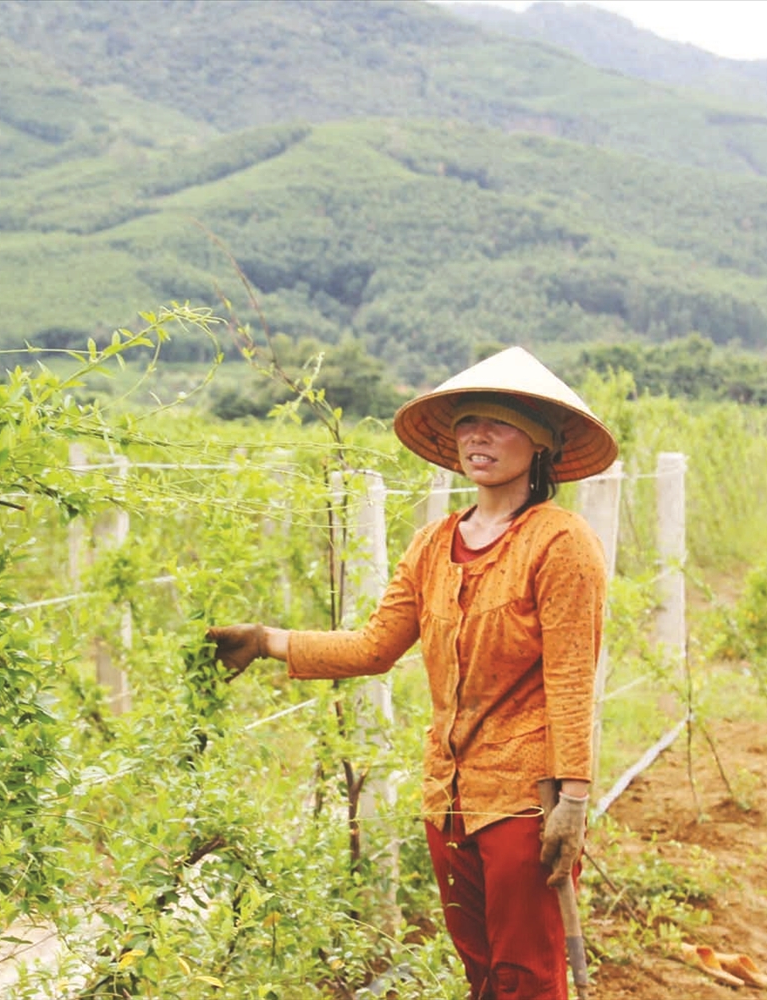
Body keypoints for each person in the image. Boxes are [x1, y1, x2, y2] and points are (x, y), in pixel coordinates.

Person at [208, 346, 617, 1000]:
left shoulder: (560, 543)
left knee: (528, 977)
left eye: (500, 423)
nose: (478, 436)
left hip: (524, 802)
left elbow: (572, 680)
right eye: (467, 423)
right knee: (480, 969)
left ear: (541, 443)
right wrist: (266, 641)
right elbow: (375, 646)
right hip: (448, 800)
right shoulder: (433, 544)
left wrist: (572, 801)